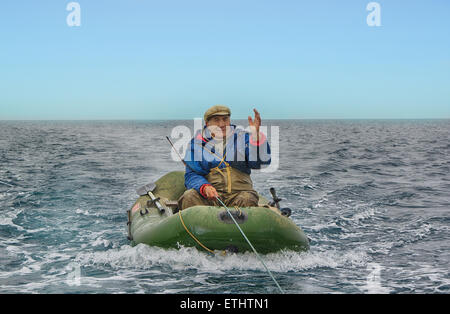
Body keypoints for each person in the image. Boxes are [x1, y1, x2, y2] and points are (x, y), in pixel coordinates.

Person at [178, 105, 271, 210]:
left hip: (239, 194)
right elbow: (191, 175)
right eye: (216, 120)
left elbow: (260, 163)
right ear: (207, 123)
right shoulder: (196, 144)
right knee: (189, 197)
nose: (221, 124)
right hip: (211, 198)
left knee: (247, 198)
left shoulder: (243, 138)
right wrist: (204, 187)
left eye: (225, 119)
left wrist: (256, 139)